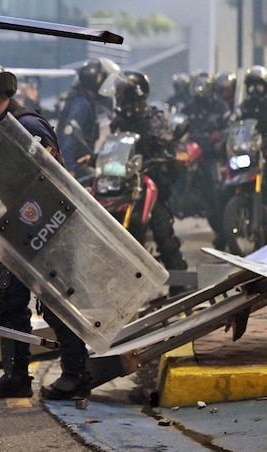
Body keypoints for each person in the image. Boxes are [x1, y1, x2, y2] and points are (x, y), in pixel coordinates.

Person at [0, 60, 95, 401]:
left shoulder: (27, 126)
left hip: (50, 226)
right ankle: (16, 376)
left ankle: (77, 375)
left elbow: (52, 181)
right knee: (7, 303)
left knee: (56, 302)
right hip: (21, 228)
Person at [111, 70, 189, 293]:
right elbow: (114, 146)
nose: (120, 99)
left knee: (162, 229)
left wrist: (178, 152)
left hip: (151, 181)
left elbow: (171, 141)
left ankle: (180, 287)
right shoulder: (120, 120)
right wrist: (98, 156)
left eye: (123, 95)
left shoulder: (154, 118)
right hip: (123, 181)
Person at [179, 71, 230, 249]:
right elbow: (178, 126)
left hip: (211, 155)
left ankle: (223, 235)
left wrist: (220, 138)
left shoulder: (220, 107)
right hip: (191, 153)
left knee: (218, 190)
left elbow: (229, 127)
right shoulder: (188, 108)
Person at [55, 58, 114, 179]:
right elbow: (69, 135)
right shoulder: (81, 104)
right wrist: (69, 168)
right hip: (77, 164)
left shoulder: (82, 101)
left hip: (81, 161)